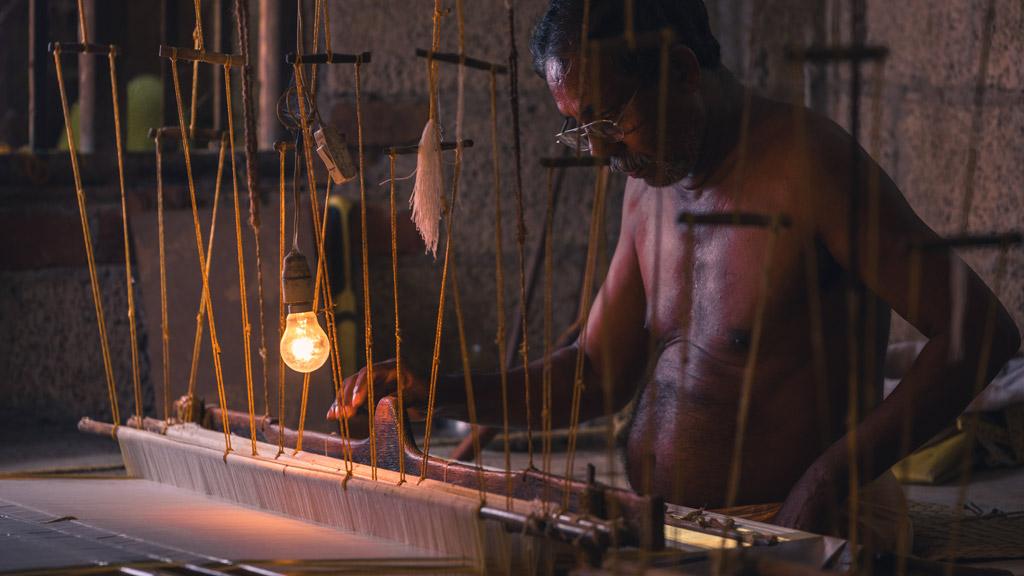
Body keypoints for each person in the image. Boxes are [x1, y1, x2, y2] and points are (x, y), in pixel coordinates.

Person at [329, 0, 1020, 548]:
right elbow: (596, 374)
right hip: (675, 531)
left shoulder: (810, 168)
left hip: (800, 532)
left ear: (684, 71)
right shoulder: (648, 184)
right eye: (579, 128)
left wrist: (827, 481)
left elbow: (979, 333)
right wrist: (436, 391)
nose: (600, 151)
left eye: (608, 119)